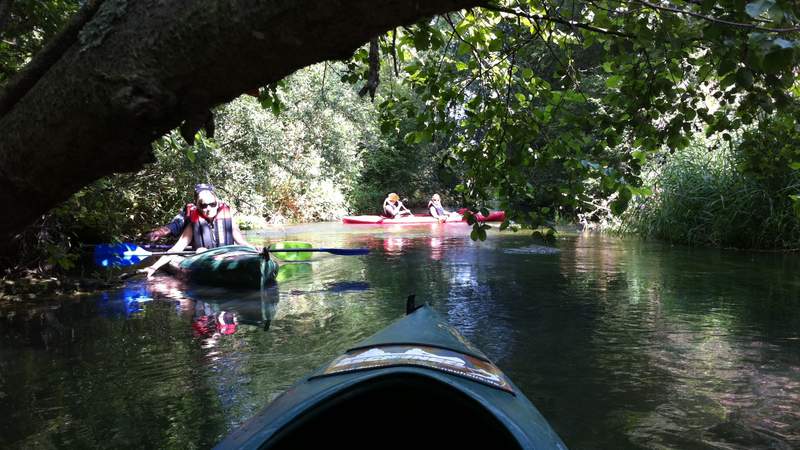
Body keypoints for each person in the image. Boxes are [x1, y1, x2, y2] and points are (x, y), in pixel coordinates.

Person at [139, 187, 256, 278]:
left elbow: (242, 242)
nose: (208, 208)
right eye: (204, 205)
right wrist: (153, 268)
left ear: (218, 204)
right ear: (198, 206)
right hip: (204, 258)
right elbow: (175, 249)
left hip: (227, 256)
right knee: (201, 250)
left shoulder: (228, 220)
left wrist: (255, 249)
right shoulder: (192, 224)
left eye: (212, 204)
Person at [146, 183, 216, 242]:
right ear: (196, 199)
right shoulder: (188, 213)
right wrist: (158, 233)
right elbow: (175, 224)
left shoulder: (221, 211)